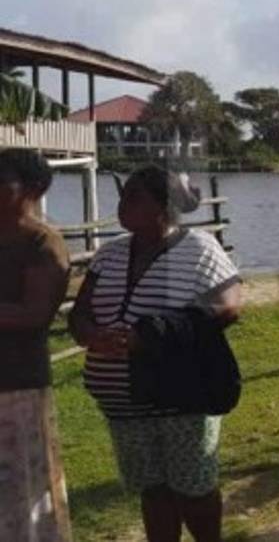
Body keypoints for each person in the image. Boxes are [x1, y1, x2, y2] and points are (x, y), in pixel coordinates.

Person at [69, 165, 242, 542]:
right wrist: (92, 336)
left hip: (180, 396)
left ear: (164, 207)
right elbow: (81, 312)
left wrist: (149, 336)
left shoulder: (199, 247)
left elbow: (228, 306)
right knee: (153, 490)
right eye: (123, 195)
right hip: (123, 404)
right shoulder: (109, 255)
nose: (123, 204)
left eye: (134, 197)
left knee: (194, 489)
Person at [0, 148, 72, 542]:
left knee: (21, 490)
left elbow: (33, 314)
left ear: (32, 188)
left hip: (16, 385)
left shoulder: (42, 242)